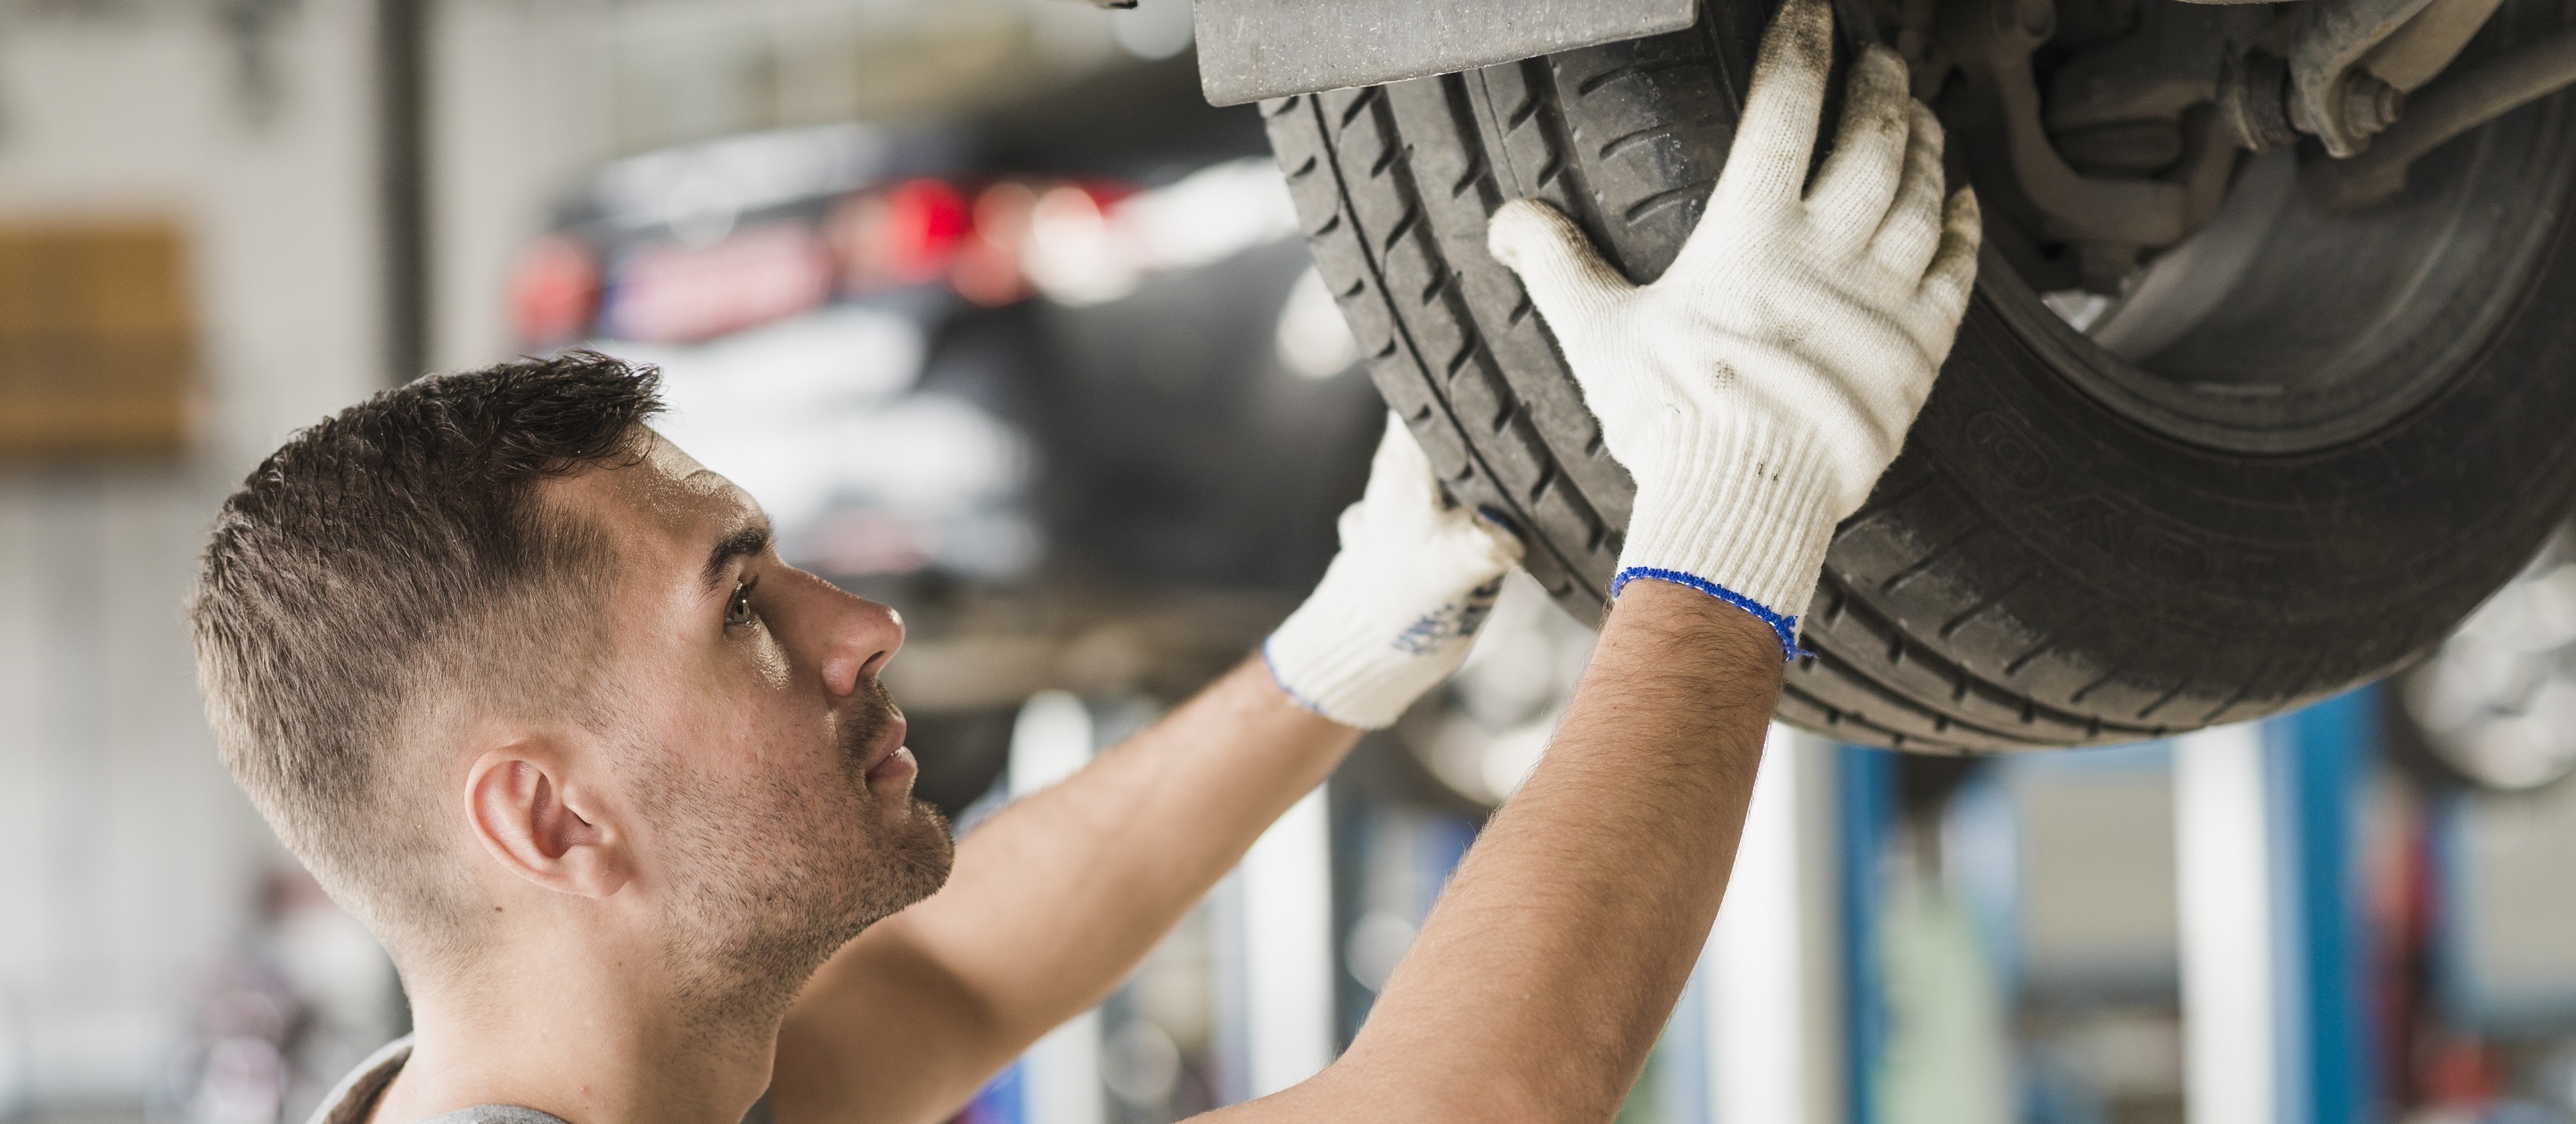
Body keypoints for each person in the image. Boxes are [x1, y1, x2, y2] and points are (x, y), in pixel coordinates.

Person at [185, 0, 1976, 1118]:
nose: (861, 622)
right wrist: (1732, 517)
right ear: (548, 818)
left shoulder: (595, 1076)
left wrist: (1333, 658)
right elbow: (1470, 1103)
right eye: (739, 611)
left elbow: (946, 982)